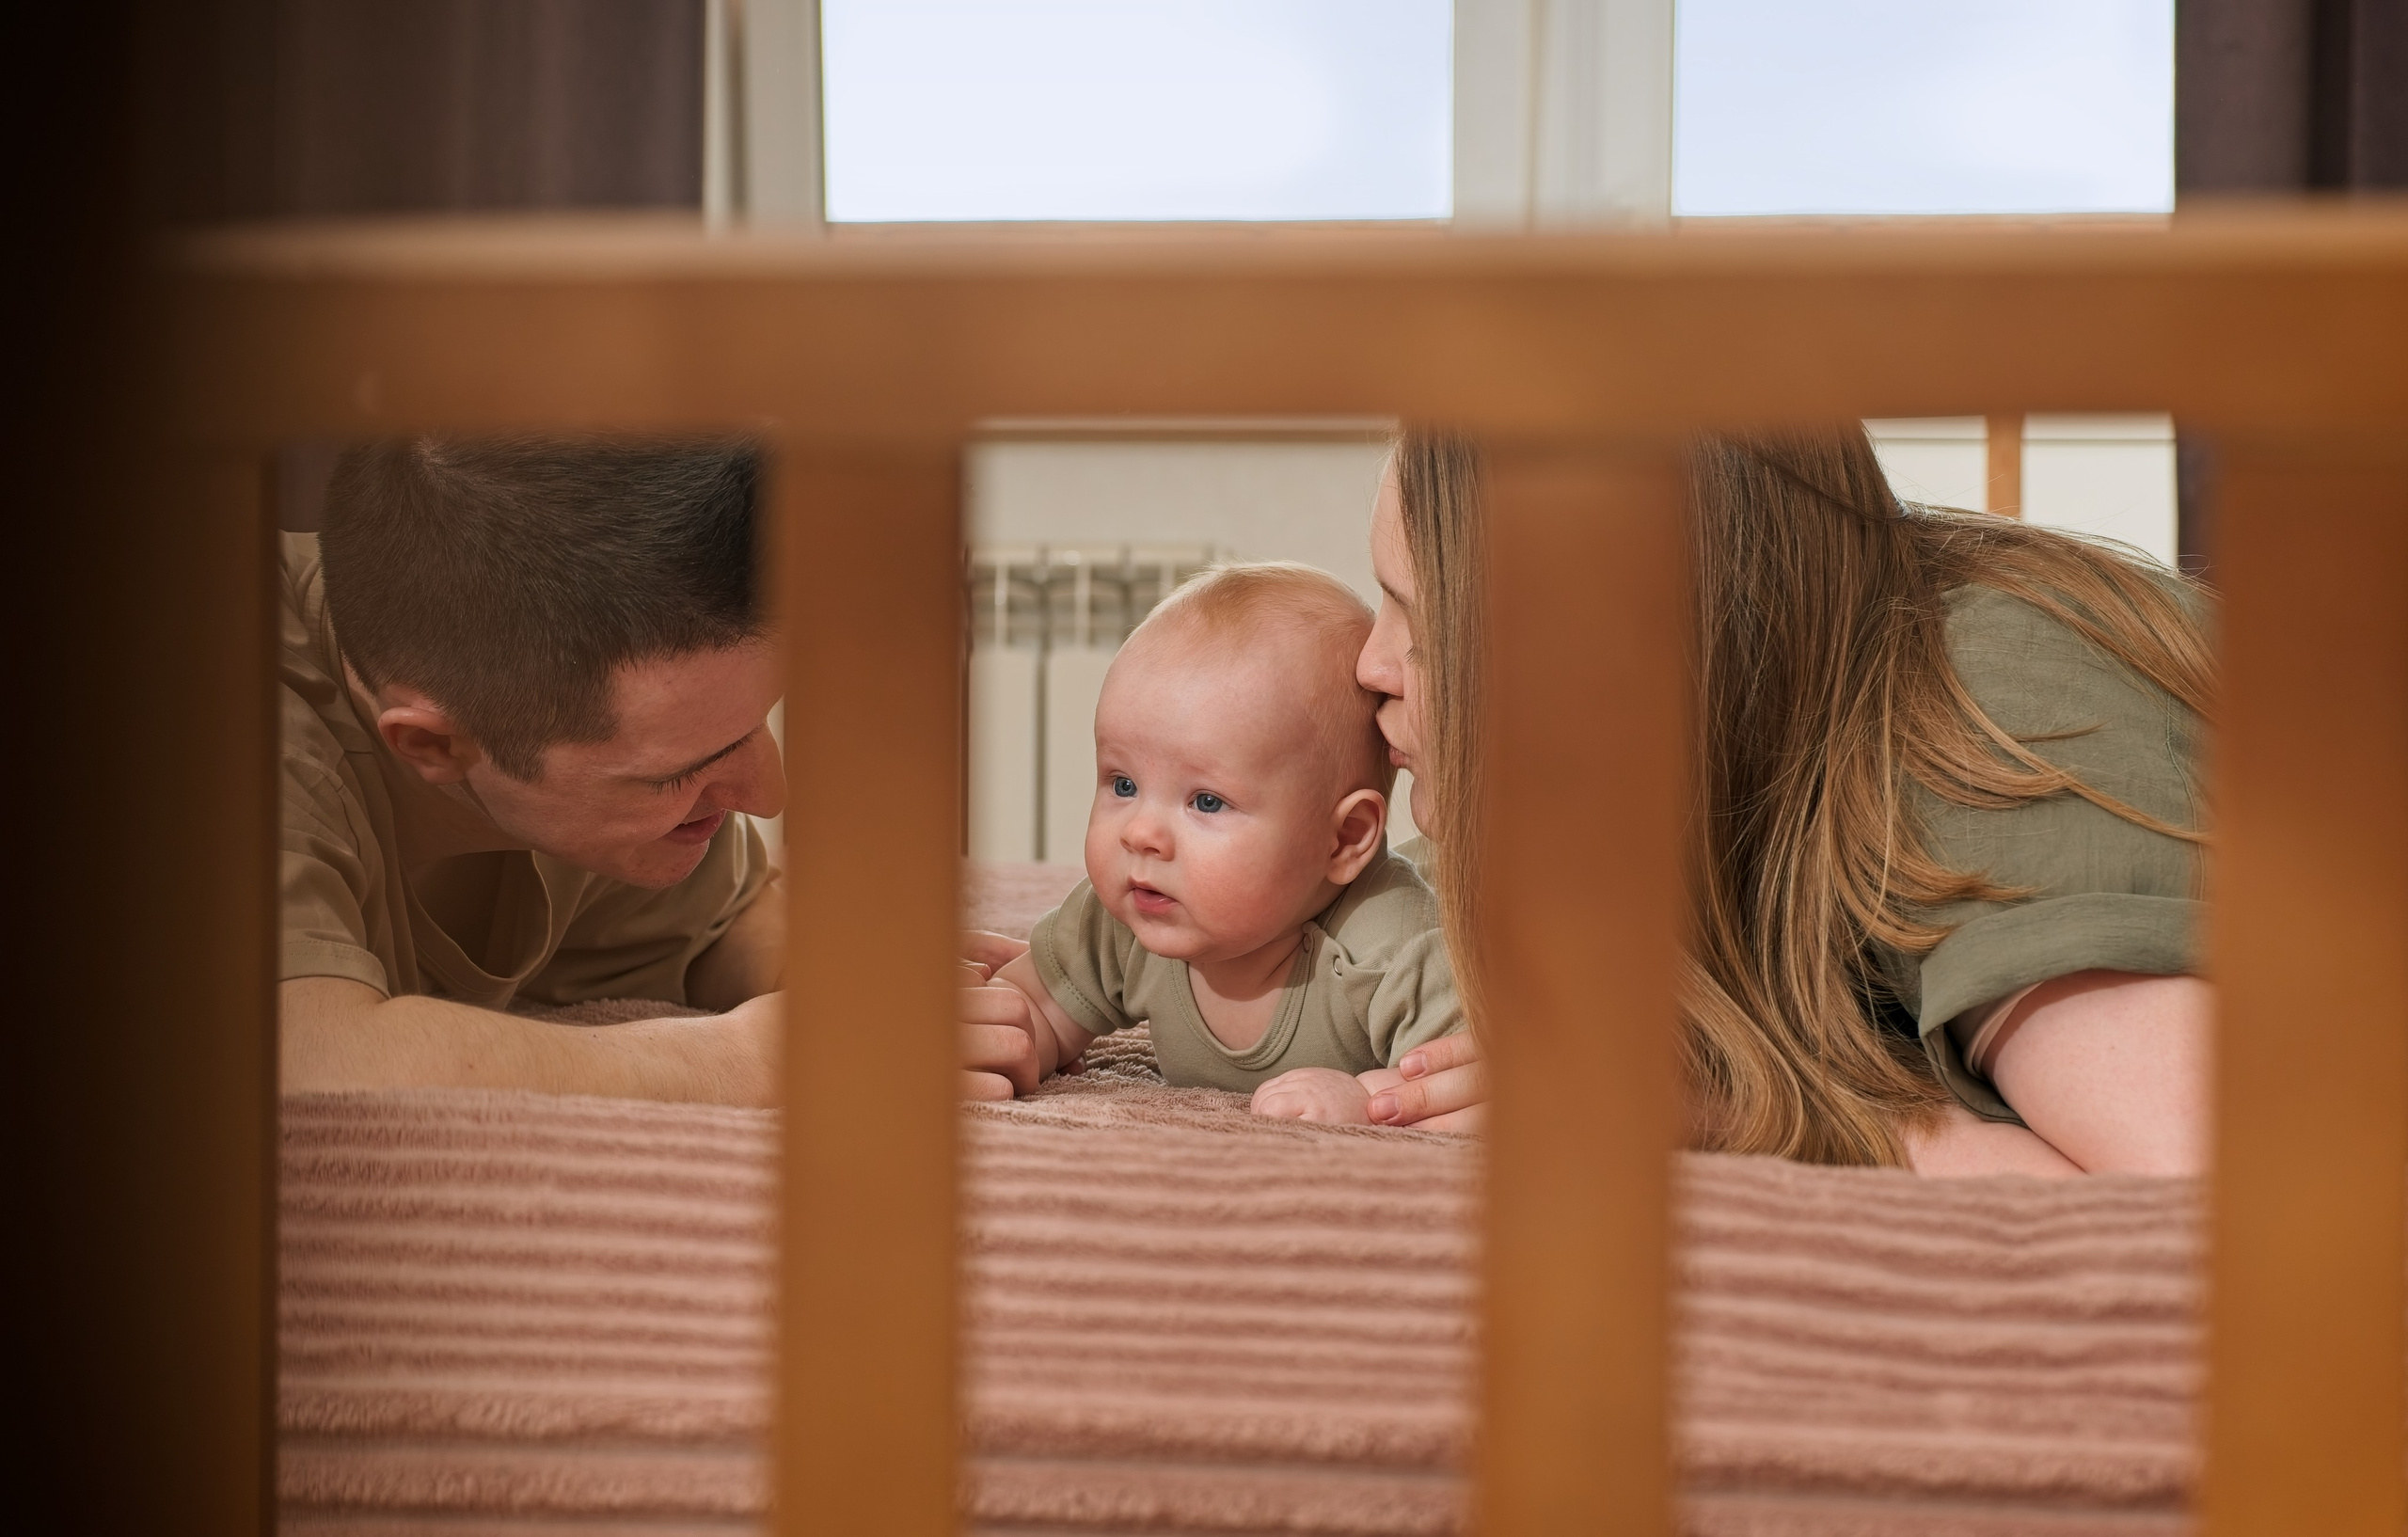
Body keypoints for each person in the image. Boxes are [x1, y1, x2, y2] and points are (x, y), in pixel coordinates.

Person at [1352, 428, 2213, 1174]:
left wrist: (1741, 1112)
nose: (1369, 668)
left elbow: (2211, 1206)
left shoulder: (1987, 717)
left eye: (1423, 633)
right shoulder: (1717, 787)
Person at [278, 436, 788, 1106]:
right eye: (678, 775)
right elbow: (302, 1058)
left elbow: (717, 929)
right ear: (434, 746)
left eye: (754, 726)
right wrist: (730, 1061)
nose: (769, 797)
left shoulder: (563, 740)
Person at [978, 563, 1464, 1121]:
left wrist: (1369, 1097)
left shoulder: (1396, 949)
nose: (1141, 834)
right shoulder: (1122, 917)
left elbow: (1458, 1081)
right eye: (1124, 784)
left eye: (1206, 801)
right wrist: (994, 1037)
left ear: (1344, 839)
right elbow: (1033, 1012)